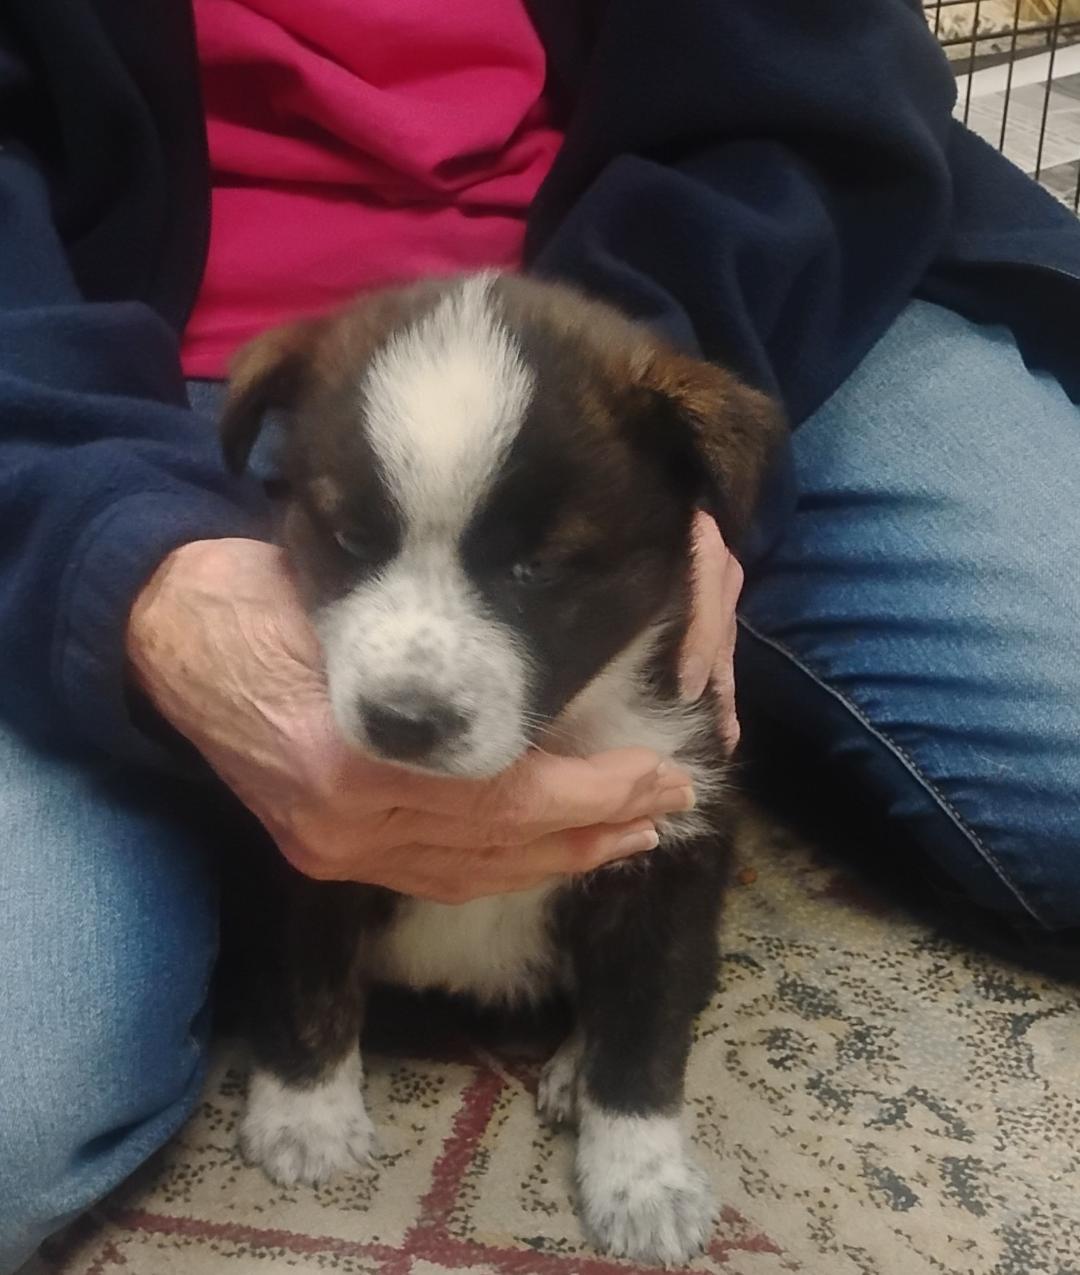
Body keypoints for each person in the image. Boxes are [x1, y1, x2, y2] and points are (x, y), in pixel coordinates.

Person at [1, 0, 1078, 1267]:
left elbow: (814, 86)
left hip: (720, 284)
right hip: (131, 359)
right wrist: (114, 554)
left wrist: (663, 419)